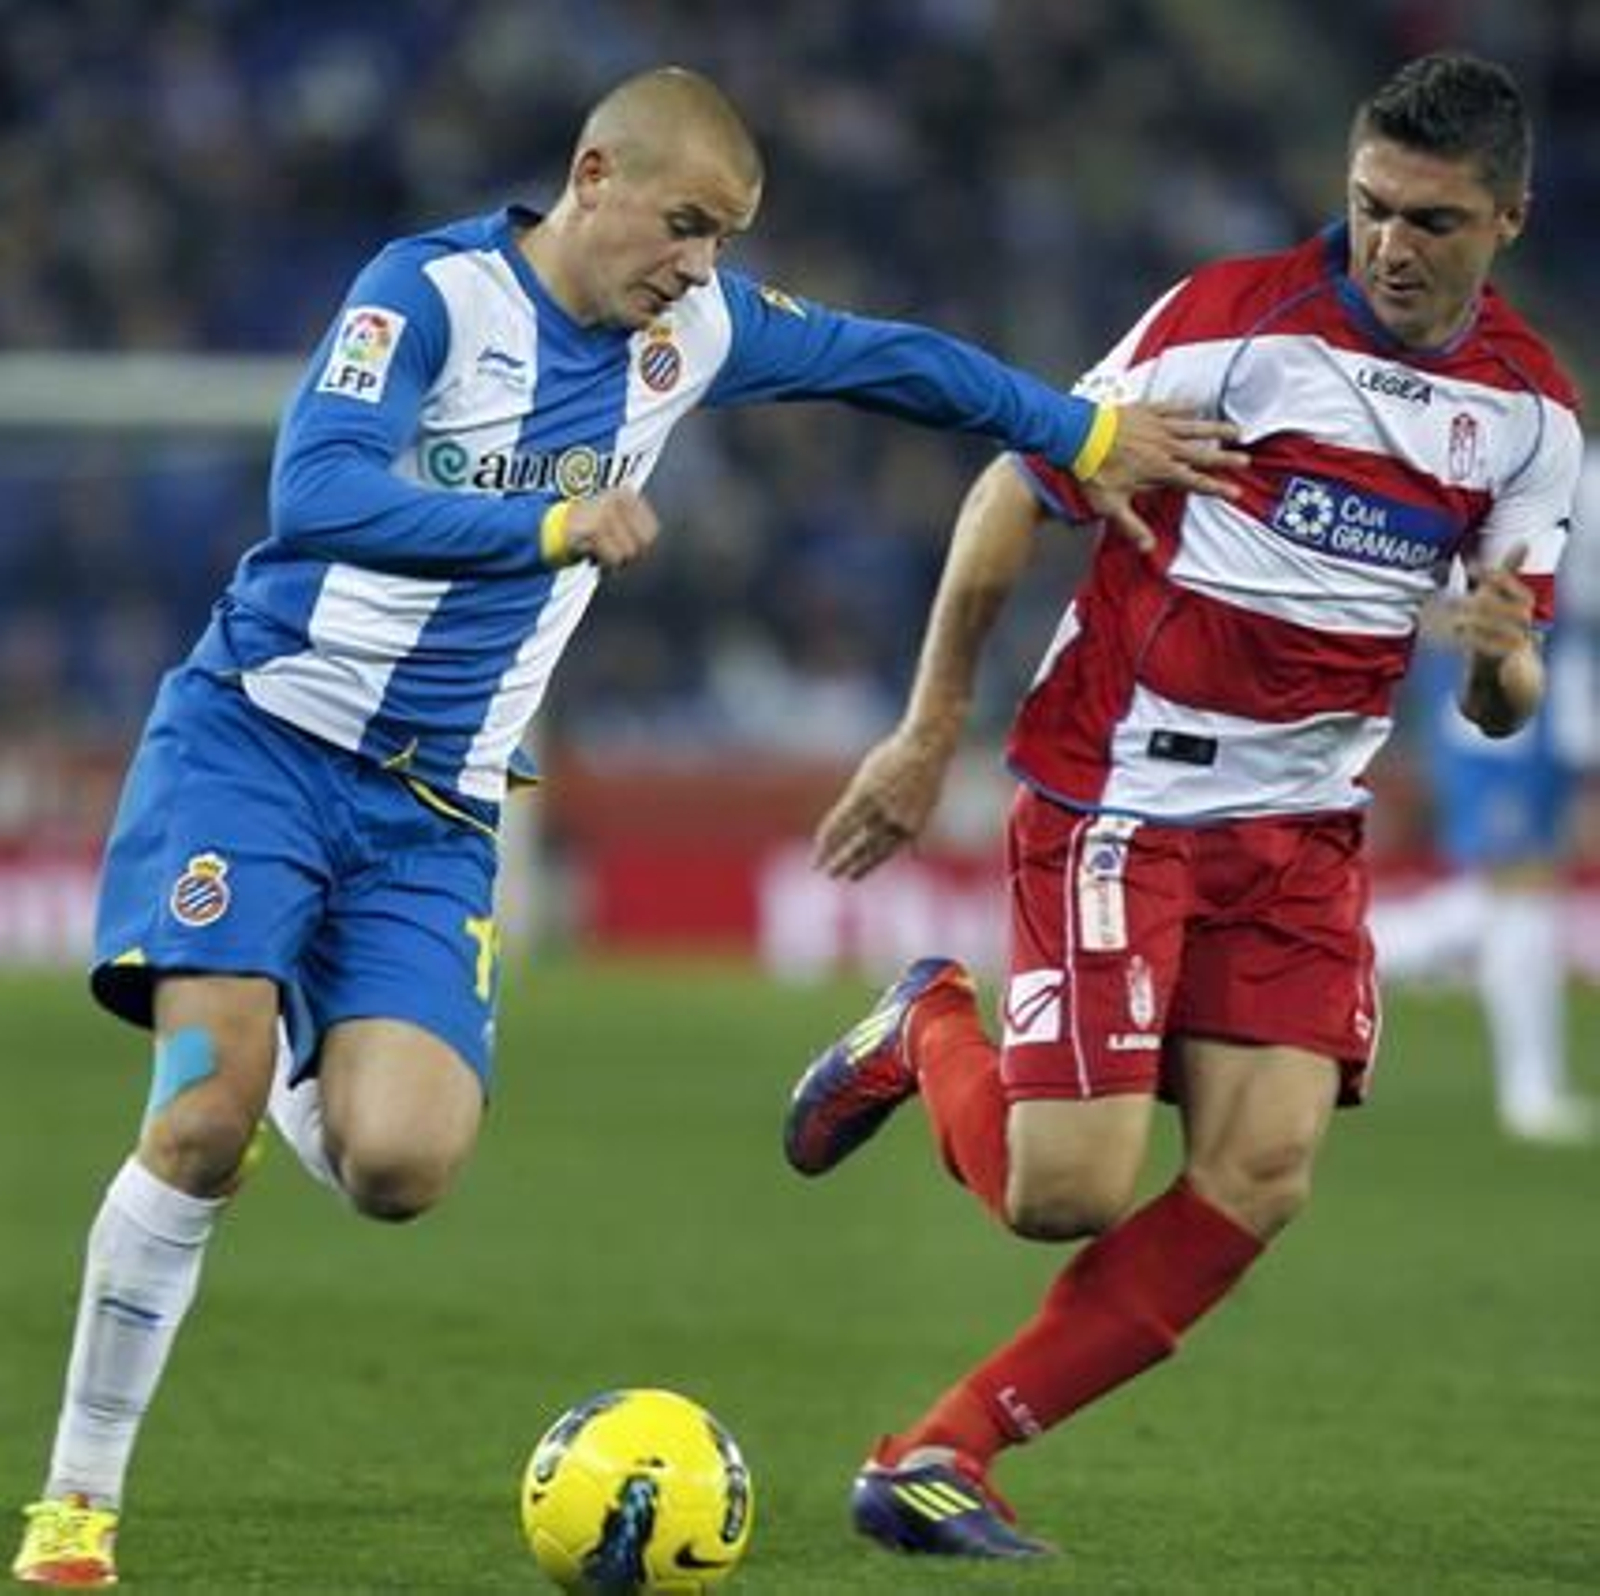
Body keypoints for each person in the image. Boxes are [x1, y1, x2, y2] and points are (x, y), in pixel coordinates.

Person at [11, 66, 1242, 1589]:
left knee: (401, 1167)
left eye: (724, 238)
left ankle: (279, 1043)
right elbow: (313, 493)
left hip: (434, 810)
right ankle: (76, 1506)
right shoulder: (430, 296)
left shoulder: (697, 332)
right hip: (261, 741)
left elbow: (896, 361)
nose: (700, 265)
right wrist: (545, 524)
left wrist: (1083, 428)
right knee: (201, 1115)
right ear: (594, 177)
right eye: (685, 224)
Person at [783, 51, 1581, 1560]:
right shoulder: (1229, 328)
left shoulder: (1532, 418)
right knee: (1063, 1194)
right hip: (1127, 795)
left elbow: (1505, 690)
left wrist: (1497, 663)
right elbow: (1013, 489)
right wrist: (929, 727)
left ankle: (939, 1453)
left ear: (1509, 219)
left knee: (1262, 1175)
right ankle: (926, 1027)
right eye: (1369, 206)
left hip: (1303, 830)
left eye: (1430, 221)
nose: (1389, 245)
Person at [1370, 486, 1600, 1144]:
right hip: (1499, 716)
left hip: (1560, 704)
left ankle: (1363, 944)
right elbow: (1433, 598)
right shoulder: (1497, 468)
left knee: (1524, 889)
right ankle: (1530, 1093)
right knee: (1518, 882)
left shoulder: (1569, 465)